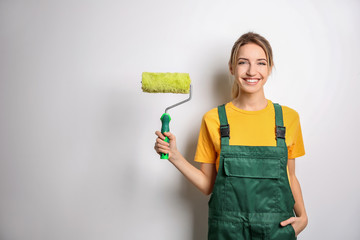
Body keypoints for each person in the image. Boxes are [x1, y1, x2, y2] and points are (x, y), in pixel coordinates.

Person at [154, 32, 308, 239]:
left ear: (270, 68)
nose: (252, 71)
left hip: (277, 231)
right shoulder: (214, 119)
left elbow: (290, 176)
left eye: (261, 63)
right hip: (227, 233)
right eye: (243, 62)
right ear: (231, 68)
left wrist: (303, 216)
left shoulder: (288, 119)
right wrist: (174, 156)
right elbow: (208, 185)